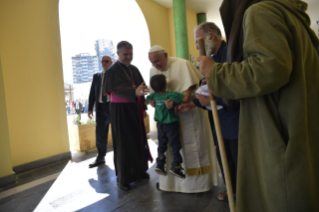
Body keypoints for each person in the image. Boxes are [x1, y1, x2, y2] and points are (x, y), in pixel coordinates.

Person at [197, 0, 319, 211]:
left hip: (277, 131)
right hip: (297, 125)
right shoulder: (293, 17)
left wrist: (215, 72)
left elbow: (269, 70)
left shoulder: (261, 11)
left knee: (279, 196)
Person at [177, 22, 240, 201]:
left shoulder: (231, 55)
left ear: (210, 37)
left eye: (198, 42)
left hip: (236, 121)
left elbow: (237, 90)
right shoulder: (211, 58)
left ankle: (243, 195)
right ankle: (231, 190)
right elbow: (210, 89)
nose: (196, 47)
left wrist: (213, 100)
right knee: (225, 161)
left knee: (239, 162)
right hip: (220, 121)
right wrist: (194, 103)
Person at [148, 45, 219, 193]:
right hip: (166, 120)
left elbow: (196, 90)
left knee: (191, 146)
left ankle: (195, 185)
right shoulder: (153, 71)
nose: (156, 66)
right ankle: (170, 184)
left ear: (165, 55)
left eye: (158, 61)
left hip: (188, 115)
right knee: (168, 148)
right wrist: (153, 103)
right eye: (153, 63)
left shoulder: (183, 64)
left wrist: (181, 102)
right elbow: (155, 97)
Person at [103, 41, 152, 191]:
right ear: (118, 54)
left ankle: (139, 171)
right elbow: (115, 92)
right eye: (126, 54)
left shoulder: (134, 69)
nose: (129, 57)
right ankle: (123, 179)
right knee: (125, 144)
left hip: (135, 110)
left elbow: (140, 88)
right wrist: (134, 92)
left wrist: (143, 105)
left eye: (131, 54)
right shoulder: (111, 71)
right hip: (121, 112)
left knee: (138, 140)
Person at [146, 75, 194, 179]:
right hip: (171, 124)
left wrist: (152, 103)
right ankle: (176, 166)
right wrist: (190, 89)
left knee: (162, 145)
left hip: (160, 125)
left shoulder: (153, 96)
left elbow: (146, 101)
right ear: (166, 85)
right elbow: (185, 99)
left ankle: (160, 164)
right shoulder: (171, 95)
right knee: (175, 145)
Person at [88, 56, 113, 168]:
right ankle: (100, 157)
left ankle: (121, 156)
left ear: (111, 63)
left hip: (112, 107)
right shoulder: (97, 76)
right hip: (100, 108)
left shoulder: (115, 75)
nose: (104, 63)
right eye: (102, 61)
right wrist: (90, 108)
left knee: (117, 132)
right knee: (100, 134)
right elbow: (92, 93)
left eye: (106, 61)